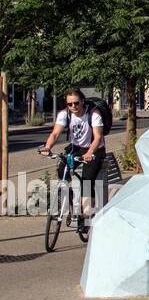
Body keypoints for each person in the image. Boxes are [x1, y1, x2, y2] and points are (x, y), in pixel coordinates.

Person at [39, 88, 105, 219]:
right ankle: (69, 202)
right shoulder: (65, 114)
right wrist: (47, 147)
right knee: (62, 169)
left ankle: (86, 215)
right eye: (70, 104)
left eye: (76, 103)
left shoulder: (94, 114)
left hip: (95, 149)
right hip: (76, 147)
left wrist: (90, 152)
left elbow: (98, 137)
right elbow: (55, 133)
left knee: (87, 179)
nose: (73, 106)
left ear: (82, 101)